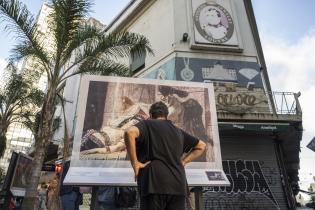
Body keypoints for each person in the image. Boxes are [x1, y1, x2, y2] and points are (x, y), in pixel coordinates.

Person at [124, 101, 206, 210]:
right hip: (178, 184)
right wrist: (183, 162)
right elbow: (201, 145)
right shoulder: (178, 131)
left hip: (153, 183)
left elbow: (129, 132)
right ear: (166, 116)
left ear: (151, 115)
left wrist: (135, 163)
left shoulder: (147, 124)